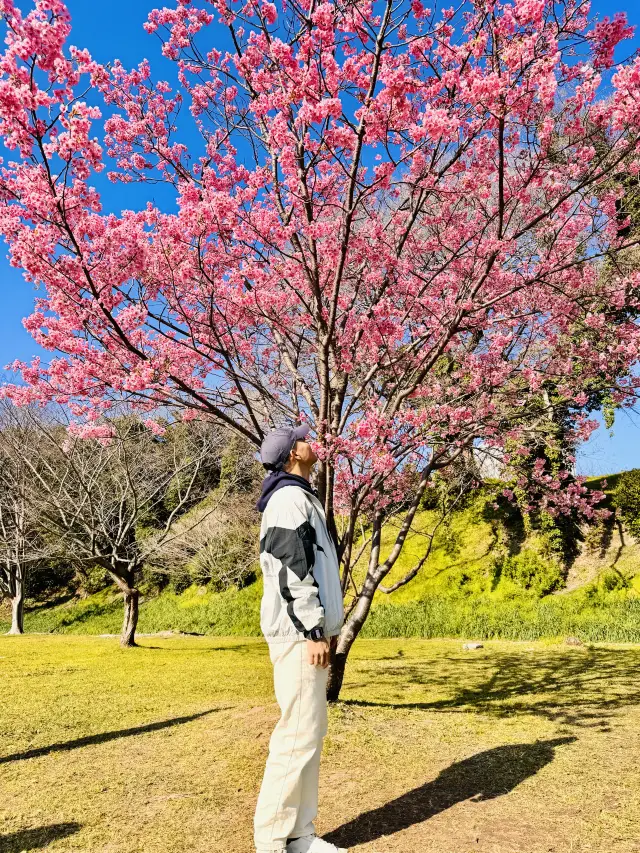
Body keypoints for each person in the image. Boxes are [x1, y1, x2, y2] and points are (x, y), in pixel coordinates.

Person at [253, 423, 347, 853]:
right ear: (294, 453)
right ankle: (273, 842)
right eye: (304, 438)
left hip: (309, 633)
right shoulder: (289, 499)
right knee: (296, 736)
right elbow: (292, 571)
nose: (312, 442)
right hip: (298, 636)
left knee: (309, 733)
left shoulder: (299, 496)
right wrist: (312, 630)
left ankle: (300, 835)